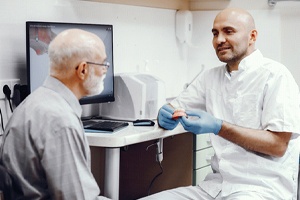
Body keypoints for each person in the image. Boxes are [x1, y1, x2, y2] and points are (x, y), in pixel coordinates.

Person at [141, 8, 300, 200]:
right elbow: (175, 107)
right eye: (215, 33)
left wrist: (219, 127)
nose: (219, 40)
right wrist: (164, 114)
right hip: (214, 187)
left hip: (260, 189)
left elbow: (278, 145)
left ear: (252, 36)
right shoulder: (211, 77)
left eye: (229, 31)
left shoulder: (276, 75)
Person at [0, 29, 111, 200]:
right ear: (82, 70)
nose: (105, 71)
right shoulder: (60, 122)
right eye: (103, 64)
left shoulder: (31, 104)